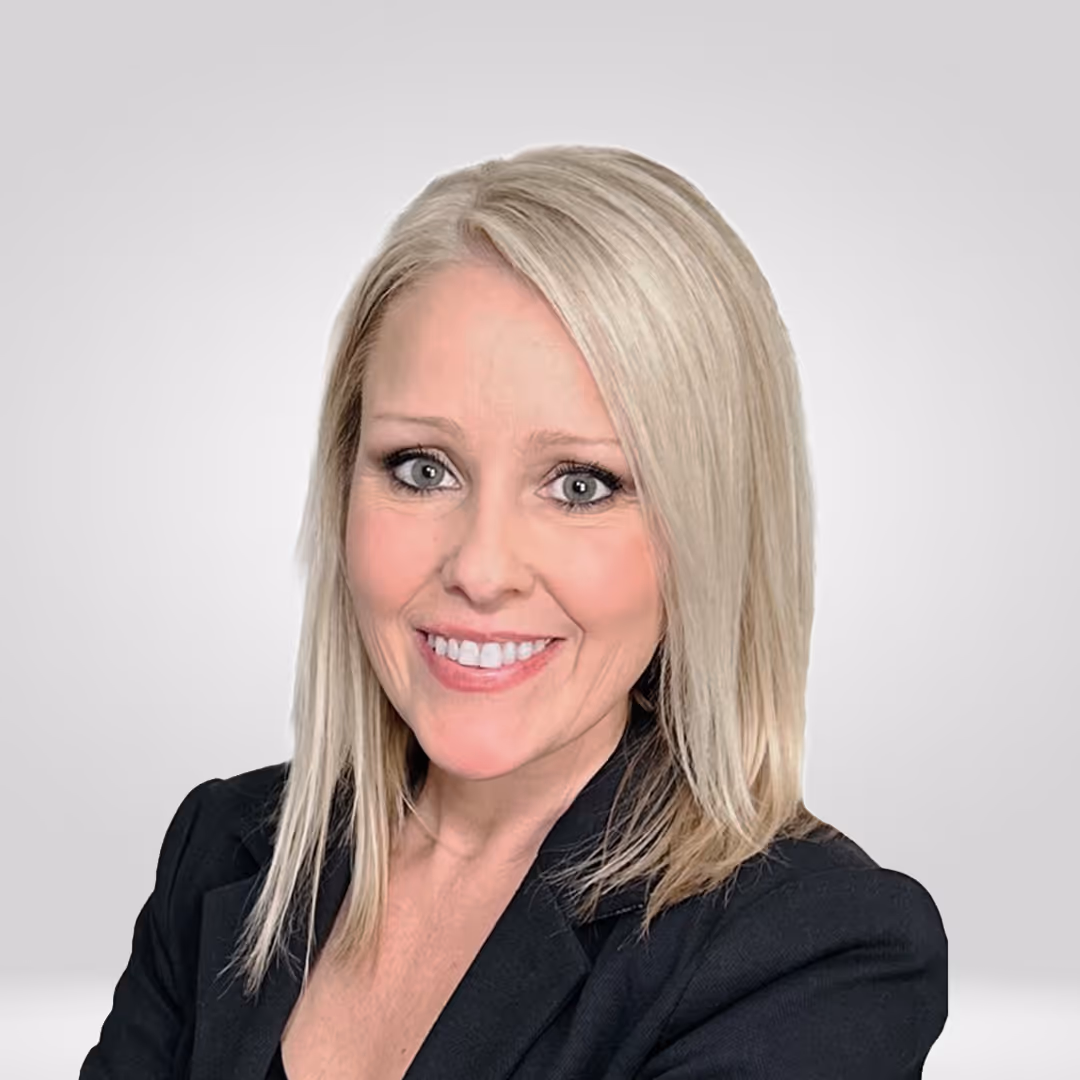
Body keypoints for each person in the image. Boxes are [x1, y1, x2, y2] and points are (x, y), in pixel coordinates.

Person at [79, 144, 947, 1080]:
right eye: (421, 468)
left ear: (708, 532)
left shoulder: (814, 953)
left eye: (581, 484)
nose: (482, 569)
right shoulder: (226, 848)